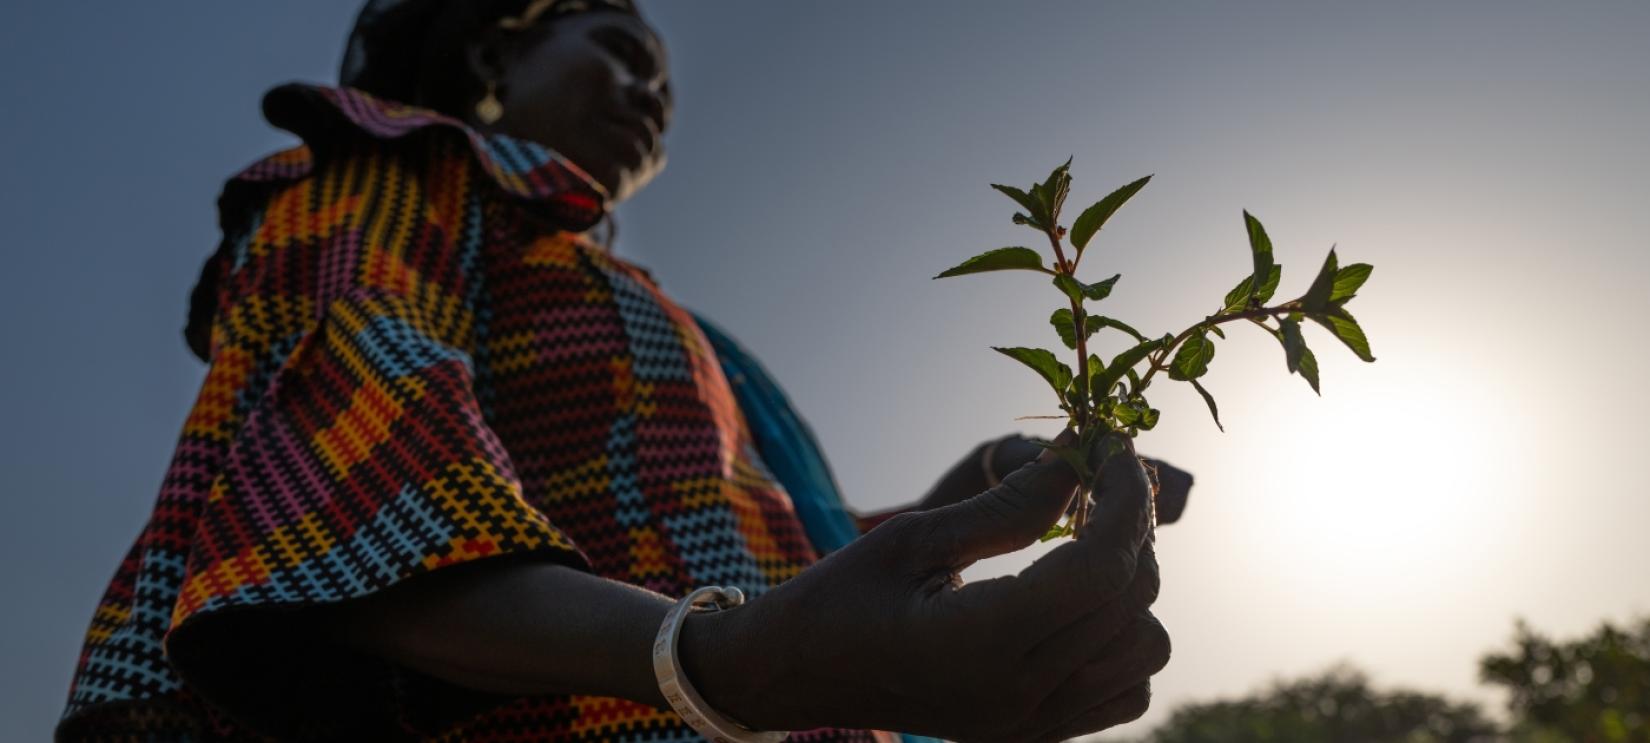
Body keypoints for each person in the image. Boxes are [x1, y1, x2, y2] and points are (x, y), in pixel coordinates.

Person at [56, 1, 1187, 740]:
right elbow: (347, 481)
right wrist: (724, 658)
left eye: (666, 86)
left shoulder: (655, 318)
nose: (653, 94)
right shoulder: (400, 172)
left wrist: (986, 480)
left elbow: (771, 549)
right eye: (620, 52)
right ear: (495, 49)